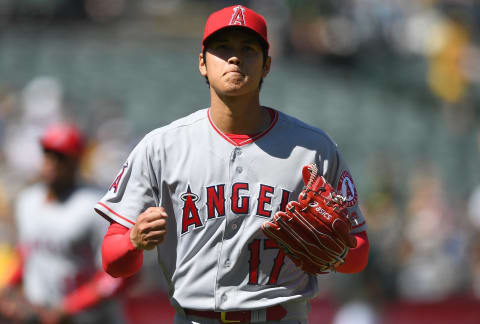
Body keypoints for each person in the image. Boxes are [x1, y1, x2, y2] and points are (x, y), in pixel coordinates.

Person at [95, 5, 369, 324]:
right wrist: (133, 241)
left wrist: (336, 250)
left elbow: (358, 254)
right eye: (223, 48)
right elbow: (112, 260)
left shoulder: (314, 149)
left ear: (266, 65)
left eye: (248, 49)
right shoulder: (161, 147)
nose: (235, 58)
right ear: (202, 63)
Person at [0, 123, 127, 324]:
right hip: (42, 314)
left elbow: (118, 276)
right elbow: (29, 253)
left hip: (90, 318)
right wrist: (8, 287)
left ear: (76, 162)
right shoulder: (28, 201)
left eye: (61, 157)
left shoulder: (98, 206)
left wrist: (68, 308)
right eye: (48, 154)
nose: (51, 162)